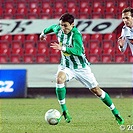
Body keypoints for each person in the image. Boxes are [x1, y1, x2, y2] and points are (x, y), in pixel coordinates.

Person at [40, 13, 124, 125]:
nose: (63, 28)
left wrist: (62, 48)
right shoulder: (58, 29)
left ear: (72, 24)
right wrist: (42, 33)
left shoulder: (76, 35)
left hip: (81, 68)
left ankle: (115, 111)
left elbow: (78, 51)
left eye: (65, 26)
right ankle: (64, 110)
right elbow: (50, 28)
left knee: (97, 91)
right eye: (61, 25)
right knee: (60, 79)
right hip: (66, 66)